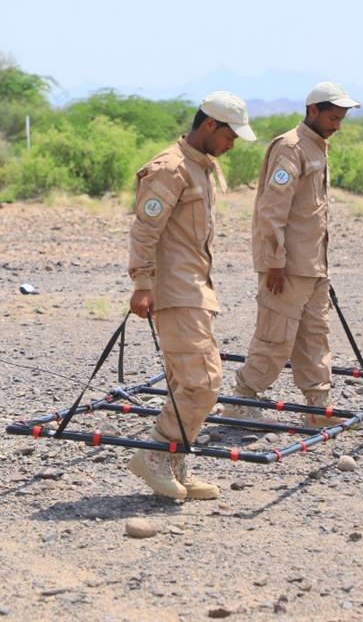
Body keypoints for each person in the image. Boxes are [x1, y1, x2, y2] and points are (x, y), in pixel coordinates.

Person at [126, 91, 255, 499]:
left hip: (195, 289)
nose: (233, 144)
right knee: (202, 382)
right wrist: (142, 284)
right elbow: (144, 231)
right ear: (210, 125)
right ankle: (152, 457)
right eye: (230, 135)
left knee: (191, 382)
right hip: (175, 291)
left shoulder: (201, 167)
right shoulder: (170, 170)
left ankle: (175, 462)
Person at [224, 82, 360, 429]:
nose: (337, 126)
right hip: (287, 266)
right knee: (275, 335)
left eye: (341, 119)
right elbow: (273, 210)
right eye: (332, 117)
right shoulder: (290, 148)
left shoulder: (317, 147)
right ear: (312, 110)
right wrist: (274, 261)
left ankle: (317, 405)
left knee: (315, 333)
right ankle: (242, 399)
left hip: (313, 265)